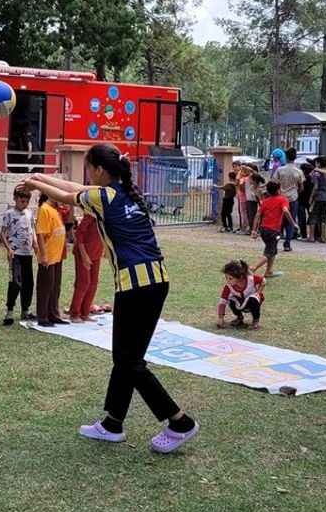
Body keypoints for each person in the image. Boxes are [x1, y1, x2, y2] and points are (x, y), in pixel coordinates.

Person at [25, 144, 199, 453]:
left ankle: (179, 421)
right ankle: (112, 423)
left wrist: (34, 182)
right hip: (156, 282)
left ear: (100, 171)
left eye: (89, 168)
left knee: (130, 361)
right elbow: (77, 188)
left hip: (136, 286)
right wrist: (40, 176)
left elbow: (68, 195)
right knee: (126, 359)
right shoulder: (127, 193)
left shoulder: (103, 197)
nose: (87, 175)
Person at [0, 185, 36, 325]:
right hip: (16, 253)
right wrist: (9, 249)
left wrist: (35, 244)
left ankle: (25, 310)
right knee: (15, 282)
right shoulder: (9, 214)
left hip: (27, 253)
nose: (25, 204)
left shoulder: (30, 213)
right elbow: (3, 233)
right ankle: (10, 310)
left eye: (27, 202)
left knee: (28, 282)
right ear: (15, 199)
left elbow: (32, 230)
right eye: (22, 201)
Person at [34, 192, 68, 327]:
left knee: (55, 286)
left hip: (57, 254)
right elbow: (40, 234)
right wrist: (43, 254)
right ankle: (43, 316)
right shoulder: (44, 209)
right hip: (48, 255)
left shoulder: (55, 209)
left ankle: (53, 314)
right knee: (45, 287)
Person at [251, 181, 295, 278]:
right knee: (269, 252)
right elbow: (285, 211)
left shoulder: (265, 201)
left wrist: (254, 230)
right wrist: (293, 224)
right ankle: (253, 268)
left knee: (272, 250)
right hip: (273, 230)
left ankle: (268, 272)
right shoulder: (283, 199)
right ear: (279, 190)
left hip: (263, 229)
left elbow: (258, 215)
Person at [67, 210, 103, 323]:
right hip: (84, 252)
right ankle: (74, 313)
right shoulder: (92, 214)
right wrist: (84, 255)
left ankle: (84, 313)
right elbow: (79, 233)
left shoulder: (107, 215)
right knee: (83, 283)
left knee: (93, 283)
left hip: (96, 252)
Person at [219, 260, 265, 330]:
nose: (228, 281)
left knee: (253, 299)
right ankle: (239, 317)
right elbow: (222, 301)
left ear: (240, 277)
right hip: (240, 302)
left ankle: (256, 321)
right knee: (231, 300)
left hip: (252, 302)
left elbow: (263, 281)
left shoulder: (251, 279)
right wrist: (220, 317)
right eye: (226, 278)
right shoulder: (229, 286)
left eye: (230, 279)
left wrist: (258, 292)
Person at [275, 148, 304, 251]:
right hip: (293, 198)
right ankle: (287, 244)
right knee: (290, 221)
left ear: (285, 157)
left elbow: (274, 183)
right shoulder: (299, 171)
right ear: (295, 157)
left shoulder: (280, 170)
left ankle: (275, 242)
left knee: (279, 221)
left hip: (281, 198)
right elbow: (301, 187)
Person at [309, 156, 326, 243]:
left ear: (318, 163)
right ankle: (323, 236)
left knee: (313, 215)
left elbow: (315, 186)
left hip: (318, 197)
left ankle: (311, 236)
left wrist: (311, 197)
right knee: (323, 217)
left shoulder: (316, 174)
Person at [297, 161, 314, 240]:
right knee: (312, 216)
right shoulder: (312, 177)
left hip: (301, 198)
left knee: (301, 217)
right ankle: (313, 234)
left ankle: (303, 234)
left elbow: (300, 188)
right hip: (310, 198)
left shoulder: (302, 178)